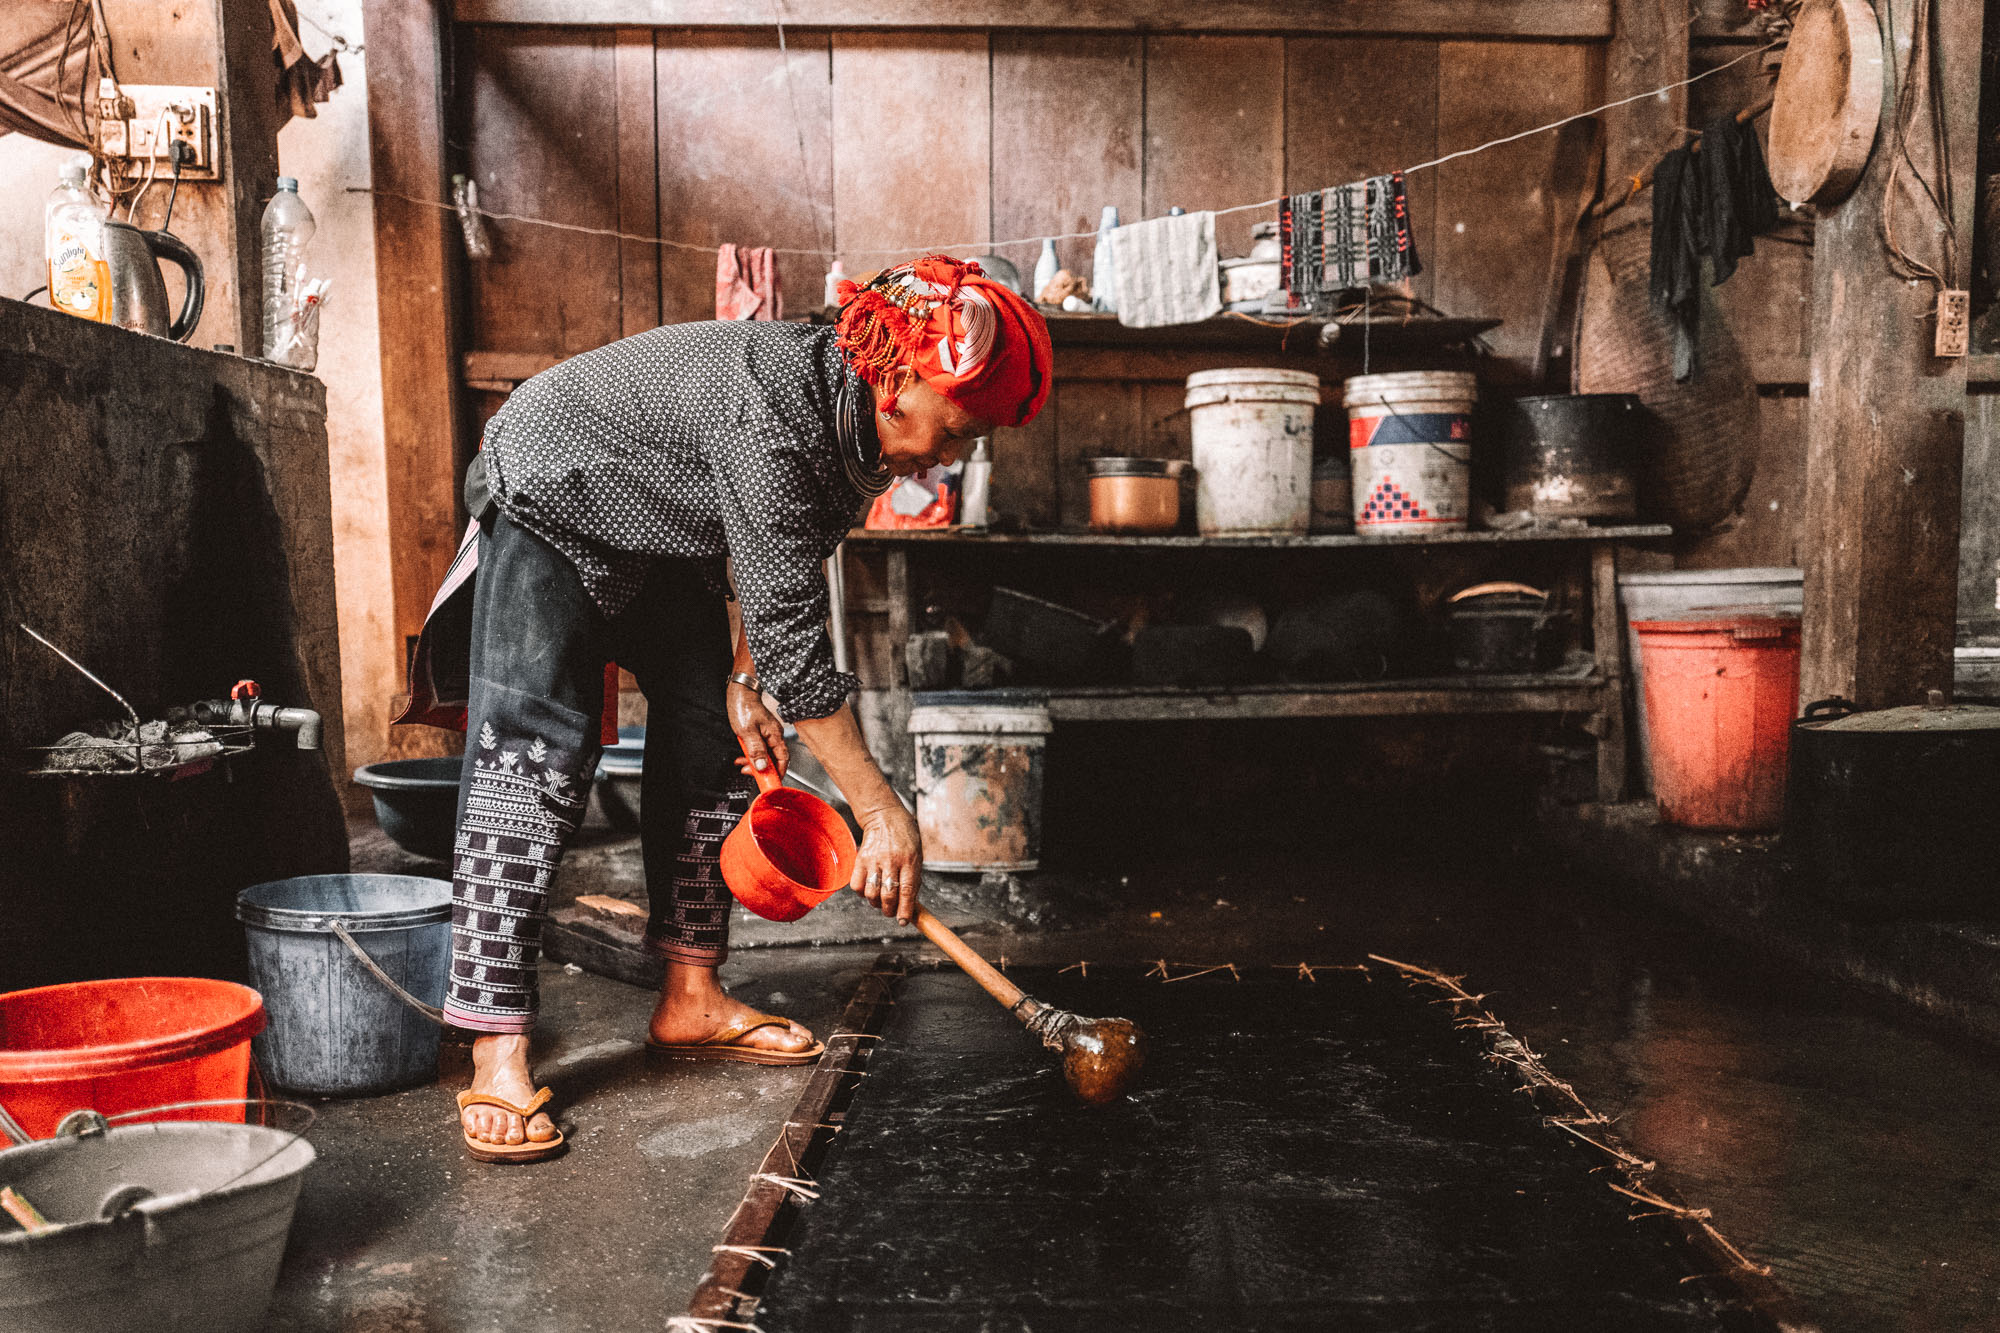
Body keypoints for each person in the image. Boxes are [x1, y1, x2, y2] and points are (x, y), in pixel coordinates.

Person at [397, 255, 1052, 1161]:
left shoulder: (850, 425)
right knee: (532, 758)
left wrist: (745, 676)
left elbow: (775, 559)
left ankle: (691, 996)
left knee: (712, 737)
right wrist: (877, 805)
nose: (954, 453)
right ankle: (496, 1047)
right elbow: (797, 635)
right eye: (959, 429)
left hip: (662, 529)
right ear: (900, 379)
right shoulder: (779, 412)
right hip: (556, 488)